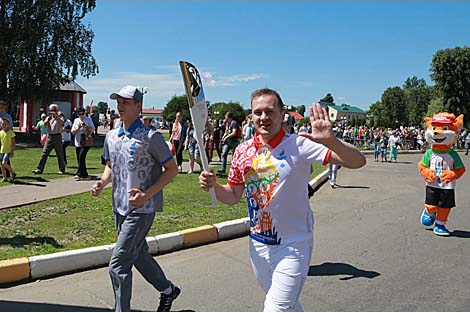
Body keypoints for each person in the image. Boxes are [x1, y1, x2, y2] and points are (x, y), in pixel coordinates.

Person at [199, 92, 365, 312]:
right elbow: (232, 196)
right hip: (259, 244)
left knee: (275, 308)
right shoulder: (242, 151)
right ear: (251, 116)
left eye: (270, 111)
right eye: (258, 112)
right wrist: (215, 186)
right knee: (287, 306)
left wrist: (331, 141)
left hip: (294, 243)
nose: (263, 117)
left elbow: (357, 161)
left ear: (281, 115)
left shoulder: (299, 144)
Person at [91, 85, 180, 313]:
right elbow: (111, 166)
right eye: (118, 102)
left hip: (143, 209)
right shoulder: (112, 135)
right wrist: (102, 182)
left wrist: (146, 195)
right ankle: (168, 290)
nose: (120, 106)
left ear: (138, 106)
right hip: (119, 206)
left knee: (118, 265)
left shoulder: (151, 137)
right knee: (138, 254)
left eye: (126, 102)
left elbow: (171, 169)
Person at [33, 103, 66, 174]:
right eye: (51, 110)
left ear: (56, 110)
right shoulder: (49, 117)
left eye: (54, 110)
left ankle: (62, 169)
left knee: (60, 154)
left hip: (57, 136)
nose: (52, 111)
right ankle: (39, 169)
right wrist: (48, 119)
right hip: (50, 136)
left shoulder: (60, 117)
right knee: (44, 153)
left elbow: (62, 123)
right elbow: (44, 124)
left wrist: (56, 117)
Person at [71, 107, 95, 180]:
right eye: (79, 114)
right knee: (79, 158)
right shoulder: (76, 120)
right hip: (78, 141)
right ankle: (84, 174)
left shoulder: (88, 119)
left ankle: (79, 173)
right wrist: (78, 128)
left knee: (81, 156)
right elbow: (73, 131)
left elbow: (93, 129)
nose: (81, 115)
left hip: (86, 140)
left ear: (85, 113)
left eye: (82, 114)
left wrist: (87, 127)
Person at [218, 111, 240, 175]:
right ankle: (223, 169)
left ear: (229, 117)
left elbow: (234, 132)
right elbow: (226, 131)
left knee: (234, 156)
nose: (225, 118)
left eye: (226, 117)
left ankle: (235, 169)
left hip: (233, 141)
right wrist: (224, 136)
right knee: (224, 154)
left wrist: (226, 137)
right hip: (227, 142)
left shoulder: (234, 123)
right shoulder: (227, 123)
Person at [0, 117, 16, 182]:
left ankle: (13, 173)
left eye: (5, 124)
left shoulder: (10, 132)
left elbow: (13, 142)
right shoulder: (1, 132)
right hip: (1, 150)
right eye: (3, 124)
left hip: (8, 150)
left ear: (8, 125)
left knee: (4, 163)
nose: (4, 125)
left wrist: (12, 151)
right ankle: (4, 177)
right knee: (1, 164)